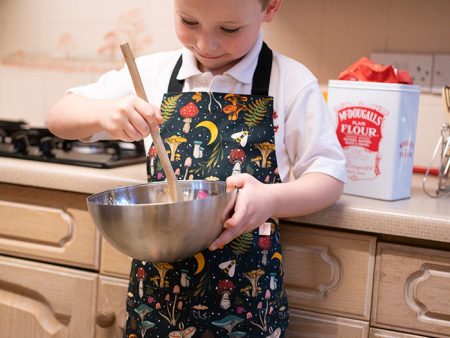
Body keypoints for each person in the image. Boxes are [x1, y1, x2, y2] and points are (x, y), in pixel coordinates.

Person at [48, 0, 346, 336]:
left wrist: (272, 199)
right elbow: (59, 116)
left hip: (246, 306)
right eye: (188, 21)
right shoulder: (152, 74)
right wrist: (102, 114)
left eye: (230, 29)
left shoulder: (291, 82)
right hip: (156, 302)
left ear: (271, 7)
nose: (206, 44)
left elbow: (329, 176)